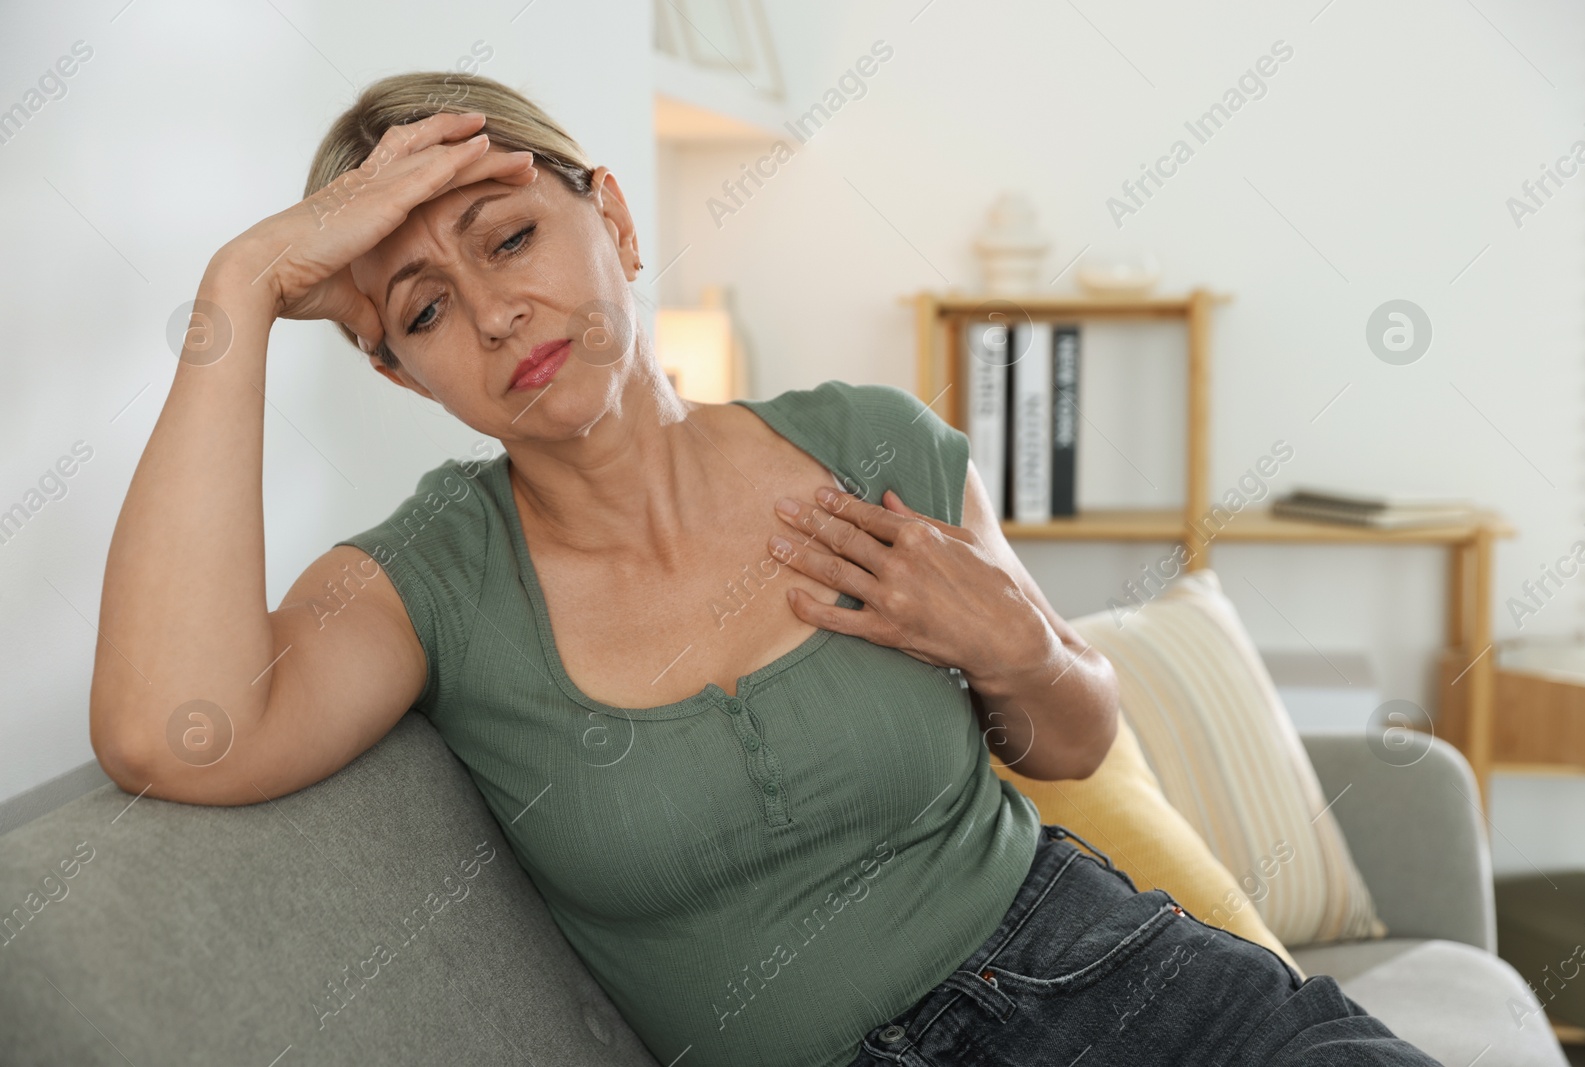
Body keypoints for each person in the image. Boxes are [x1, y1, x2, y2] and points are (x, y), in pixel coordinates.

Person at [89, 71, 1442, 1067]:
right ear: (395, 368)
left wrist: (1023, 649)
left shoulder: (870, 443)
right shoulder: (431, 578)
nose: (495, 311)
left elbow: (1077, 741)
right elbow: (171, 732)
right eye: (424, 309)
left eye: (508, 235)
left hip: (1134, 984)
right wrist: (245, 283)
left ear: (610, 218)